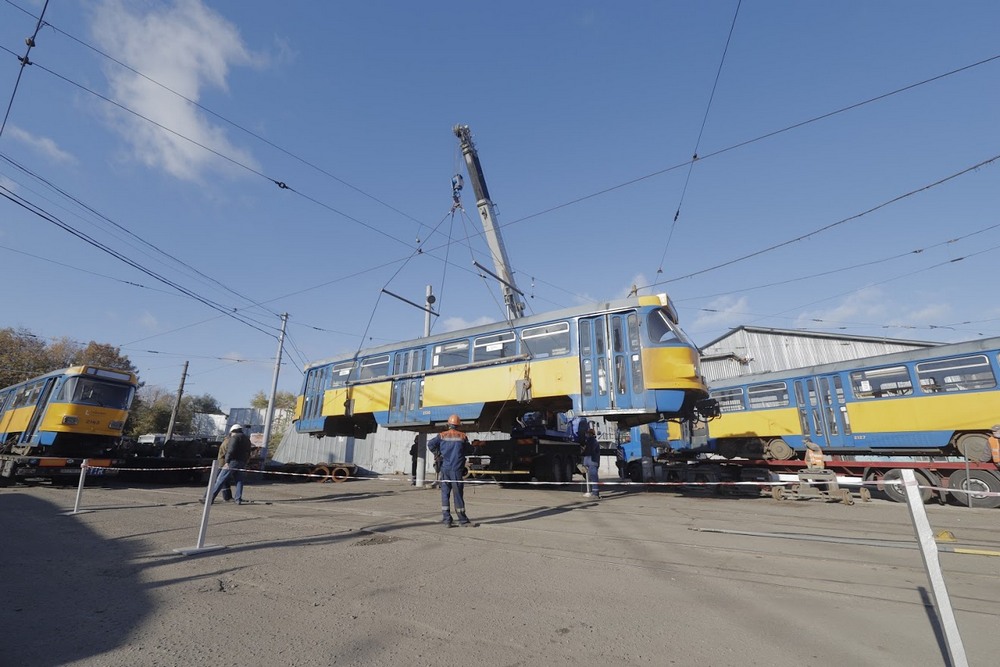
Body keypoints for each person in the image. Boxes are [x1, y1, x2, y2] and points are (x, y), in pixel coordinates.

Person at [427, 414, 473, 527]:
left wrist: (437, 454)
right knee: (457, 495)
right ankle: (462, 520)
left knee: (445, 494)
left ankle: (447, 520)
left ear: (448, 424)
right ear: (458, 425)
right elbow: (468, 451)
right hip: (456, 470)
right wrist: (476, 447)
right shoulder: (462, 436)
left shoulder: (441, 435)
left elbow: (430, 444)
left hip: (445, 469)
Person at [209, 424, 252, 505]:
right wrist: (245, 461)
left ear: (233, 431)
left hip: (233, 462)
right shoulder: (247, 439)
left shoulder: (235, 437)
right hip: (242, 462)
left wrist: (227, 461)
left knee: (220, 480)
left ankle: (210, 498)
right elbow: (249, 452)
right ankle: (238, 499)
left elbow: (230, 450)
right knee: (239, 481)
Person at [580, 428, 601, 499]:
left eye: (587, 433)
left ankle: (595, 493)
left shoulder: (592, 442)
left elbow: (589, 451)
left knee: (593, 477)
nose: (586, 435)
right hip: (591, 462)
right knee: (590, 477)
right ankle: (592, 492)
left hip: (592, 462)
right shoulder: (591, 441)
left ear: (591, 434)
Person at [216, 434, 234, 501]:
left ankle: (227, 496)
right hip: (223, 463)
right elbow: (227, 453)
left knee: (224, 481)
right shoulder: (228, 443)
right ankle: (227, 496)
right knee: (221, 480)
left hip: (221, 463)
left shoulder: (225, 442)